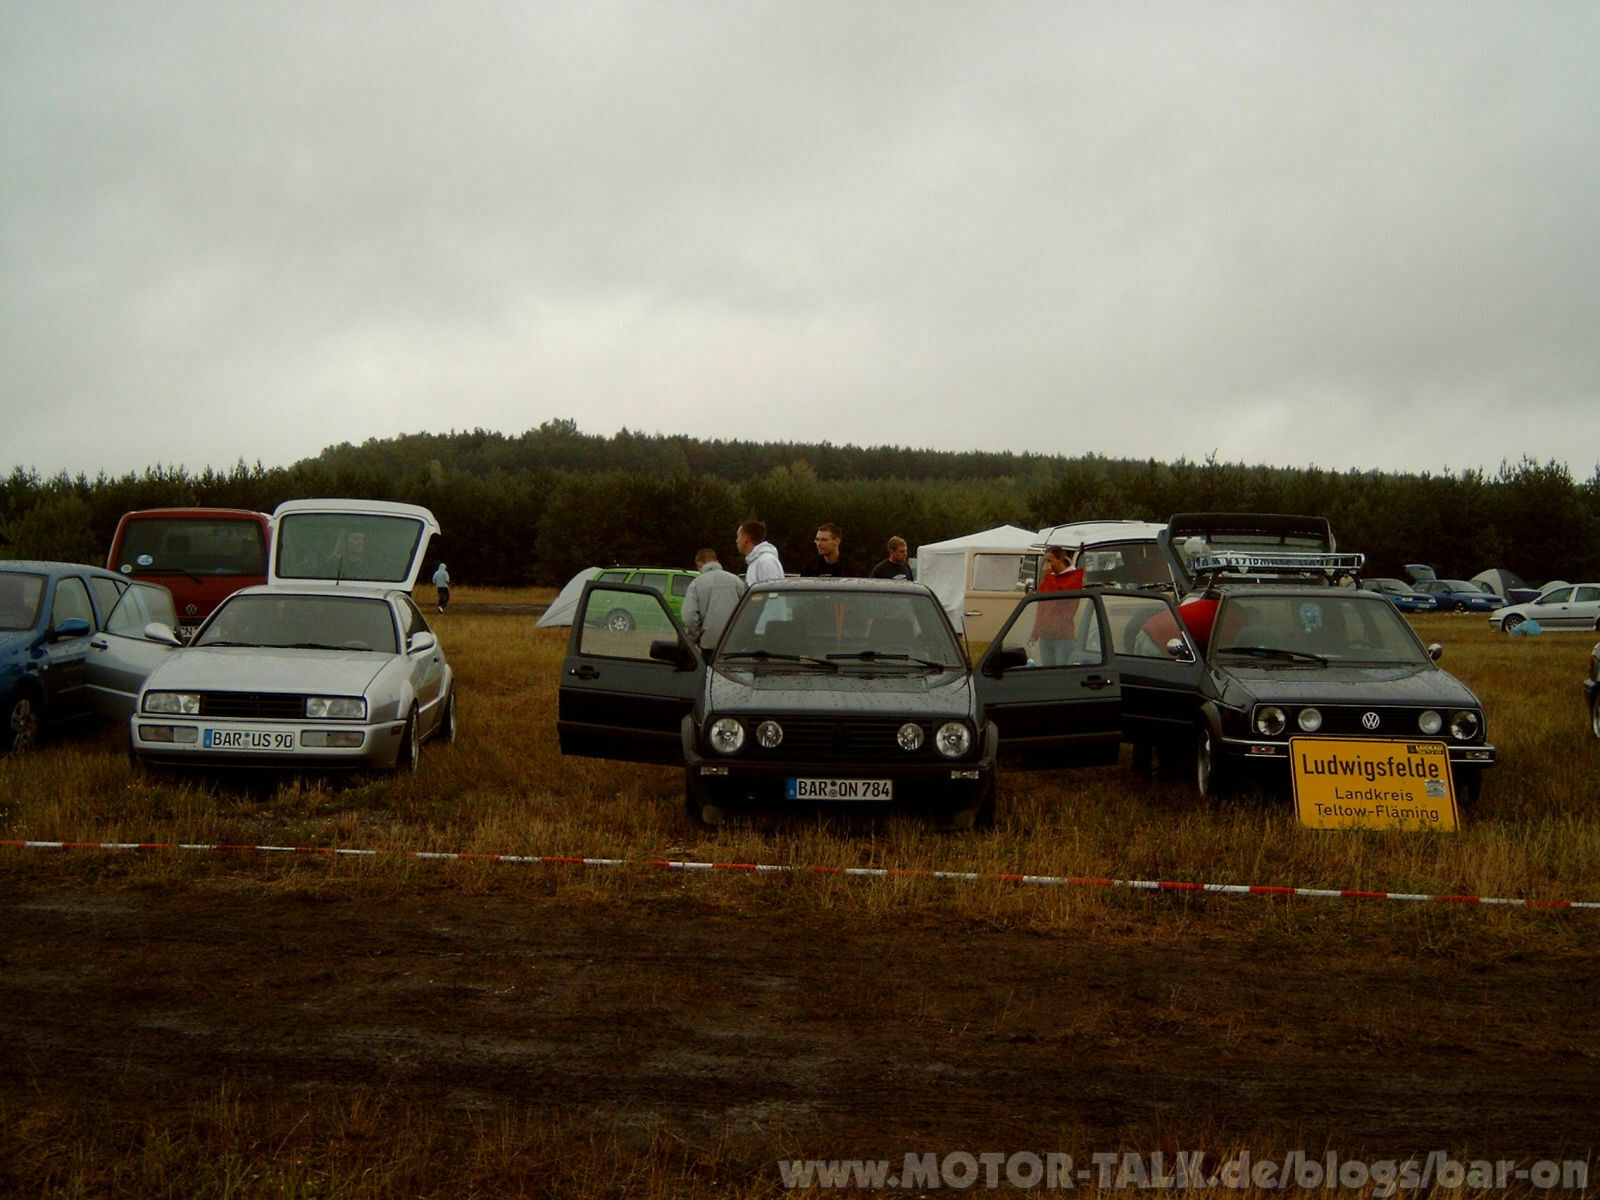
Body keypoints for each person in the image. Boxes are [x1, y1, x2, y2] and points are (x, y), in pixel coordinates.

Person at [1029, 545, 1086, 666]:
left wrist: (1049, 577)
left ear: (1060, 560)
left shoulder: (1074, 578)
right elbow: (1042, 607)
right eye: (1046, 561)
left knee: (1062, 669)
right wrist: (1035, 631)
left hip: (1063, 636)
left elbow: (1059, 597)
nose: (1047, 564)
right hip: (1046, 635)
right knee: (1048, 670)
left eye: (1050, 560)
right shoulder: (1050, 579)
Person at [681, 548, 746, 654]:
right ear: (717, 561)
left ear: (700, 564)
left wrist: (694, 638)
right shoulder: (736, 581)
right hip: (734, 643)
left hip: (709, 643)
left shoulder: (696, 584)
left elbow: (689, 617)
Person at [736, 520, 784, 585]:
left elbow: (771, 591)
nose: (737, 541)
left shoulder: (766, 561)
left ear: (747, 539)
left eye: (738, 536)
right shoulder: (755, 561)